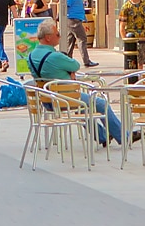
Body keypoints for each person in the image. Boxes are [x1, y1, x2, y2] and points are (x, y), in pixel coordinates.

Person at [27, 18, 136, 146]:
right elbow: (75, 65)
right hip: (65, 99)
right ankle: (124, 137)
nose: (59, 36)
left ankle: (103, 136)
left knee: (83, 109)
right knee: (101, 103)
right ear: (48, 38)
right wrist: (69, 73)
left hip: (46, 100)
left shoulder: (31, 55)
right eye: (57, 34)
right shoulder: (55, 56)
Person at [58, 0, 98, 67]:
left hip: (74, 18)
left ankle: (67, 60)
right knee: (82, 39)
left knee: (70, 41)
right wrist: (61, 18)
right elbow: (65, 5)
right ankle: (86, 61)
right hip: (73, 20)